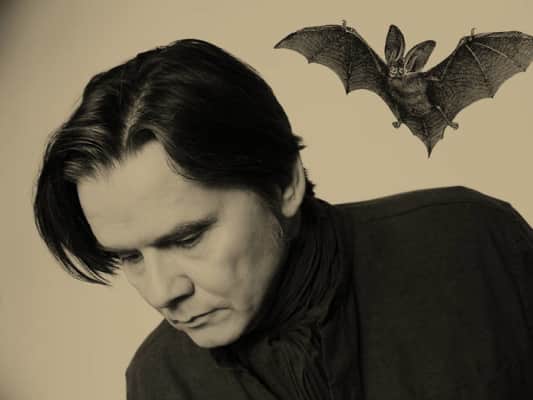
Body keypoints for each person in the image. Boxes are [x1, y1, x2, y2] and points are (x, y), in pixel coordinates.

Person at [33, 39, 533, 399]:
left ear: (283, 183)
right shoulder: (158, 383)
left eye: (188, 238)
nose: (163, 292)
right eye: (130, 256)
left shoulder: (476, 242)